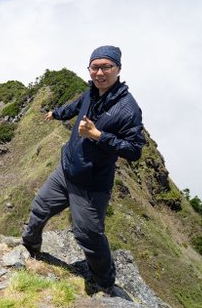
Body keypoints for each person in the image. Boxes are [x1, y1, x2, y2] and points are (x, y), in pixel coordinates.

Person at [21, 45, 145, 294]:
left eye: (106, 67)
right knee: (39, 208)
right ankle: (29, 248)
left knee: (88, 235)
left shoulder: (128, 108)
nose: (100, 73)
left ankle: (105, 283)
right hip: (66, 170)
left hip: (91, 185)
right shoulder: (91, 92)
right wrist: (57, 114)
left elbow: (134, 150)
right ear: (89, 69)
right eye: (95, 67)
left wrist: (99, 136)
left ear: (118, 69)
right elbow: (77, 106)